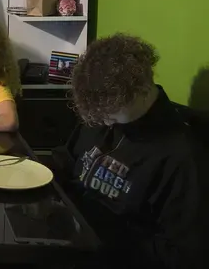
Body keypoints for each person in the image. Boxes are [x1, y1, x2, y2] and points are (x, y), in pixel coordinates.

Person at [53, 34, 207, 268]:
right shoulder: (103, 112)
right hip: (68, 233)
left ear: (142, 90)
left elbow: (181, 254)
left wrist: (103, 241)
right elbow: (67, 159)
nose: (103, 122)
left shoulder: (181, 157)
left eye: (110, 114)